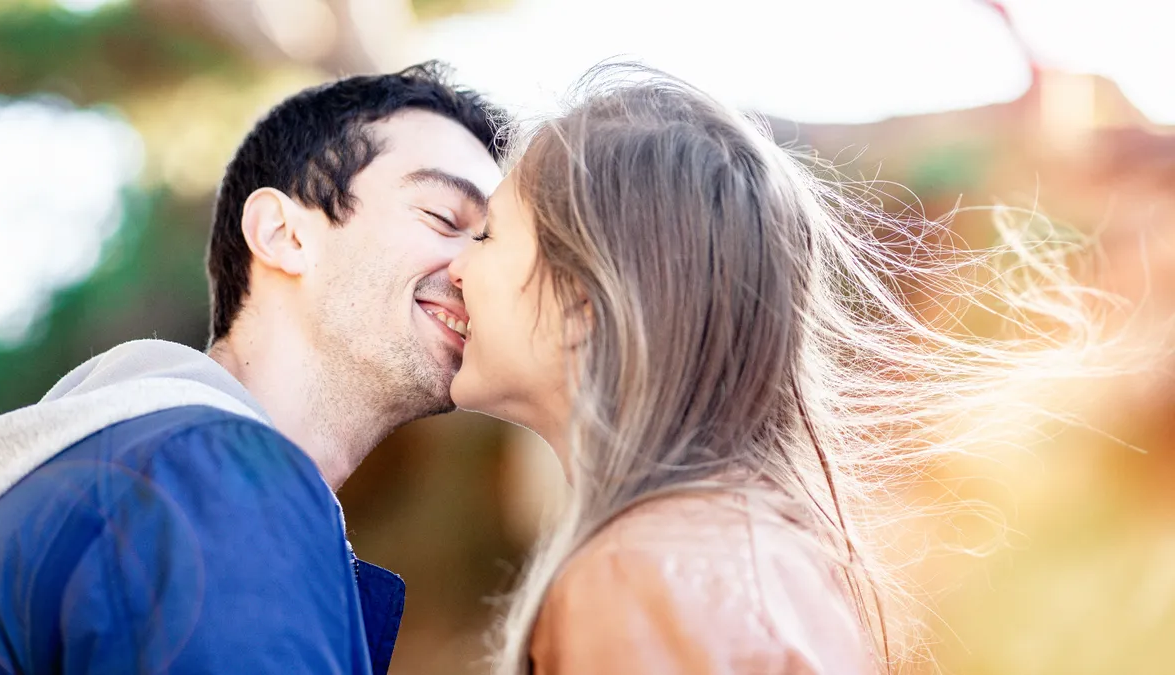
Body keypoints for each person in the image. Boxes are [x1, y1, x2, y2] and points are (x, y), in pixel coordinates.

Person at [449, 65, 1107, 674]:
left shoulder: (638, 574)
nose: (454, 266)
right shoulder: (756, 547)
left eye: (486, 236)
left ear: (583, 303)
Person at [0, 61, 504, 674]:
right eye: (444, 219)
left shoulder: (140, 467)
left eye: (490, 242)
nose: (478, 269)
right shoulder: (212, 469)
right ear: (282, 234)